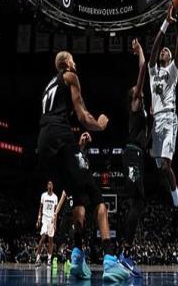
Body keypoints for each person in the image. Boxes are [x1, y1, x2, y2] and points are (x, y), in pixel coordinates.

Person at [37, 51, 129, 281]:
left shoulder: (49, 85)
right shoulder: (70, 76)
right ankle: (110, 260)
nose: (75, 63)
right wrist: (99, 125)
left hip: (44, 145)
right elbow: (82, 115)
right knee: (96, 196)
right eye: (72, 59)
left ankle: (77, 257)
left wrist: (77, 146)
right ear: (67, 63)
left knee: (78, 196)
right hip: (59, 135)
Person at [148, 0, 178, 207]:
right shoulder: (153, 71)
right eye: (162, 50)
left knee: (165, 165)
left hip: (168, 118)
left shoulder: (173, 71)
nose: (163, 50)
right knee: (160, 169)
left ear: (171, 58)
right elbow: (154, 49)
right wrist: (165, 23)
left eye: (167, 50)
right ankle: (177, 195)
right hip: (156, 121)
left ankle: (177, 201)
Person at [119, 38, 148, 277]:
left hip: (137, 155)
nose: (139, 89)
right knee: (136, 202)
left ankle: (126, 253)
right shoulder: (136, 103)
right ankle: (124, 253)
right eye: (136, 89)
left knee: (139, 202)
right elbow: (143, 69)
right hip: (131, 154)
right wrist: (140, 51)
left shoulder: (143, 109)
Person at [34, 181, 59, 266]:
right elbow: (40, 208)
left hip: (51, 219)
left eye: (51, 184)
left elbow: (56, 211)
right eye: (48, 184)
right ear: (47, 186)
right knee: (43, 237)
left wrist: (55, 223)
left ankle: (49, 259)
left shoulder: (55, 197)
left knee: (50, 239)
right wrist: (38, 219)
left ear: (53, 186)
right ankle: (37, 258)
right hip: (44, 218)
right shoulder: (43, 195)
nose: (49, 185)